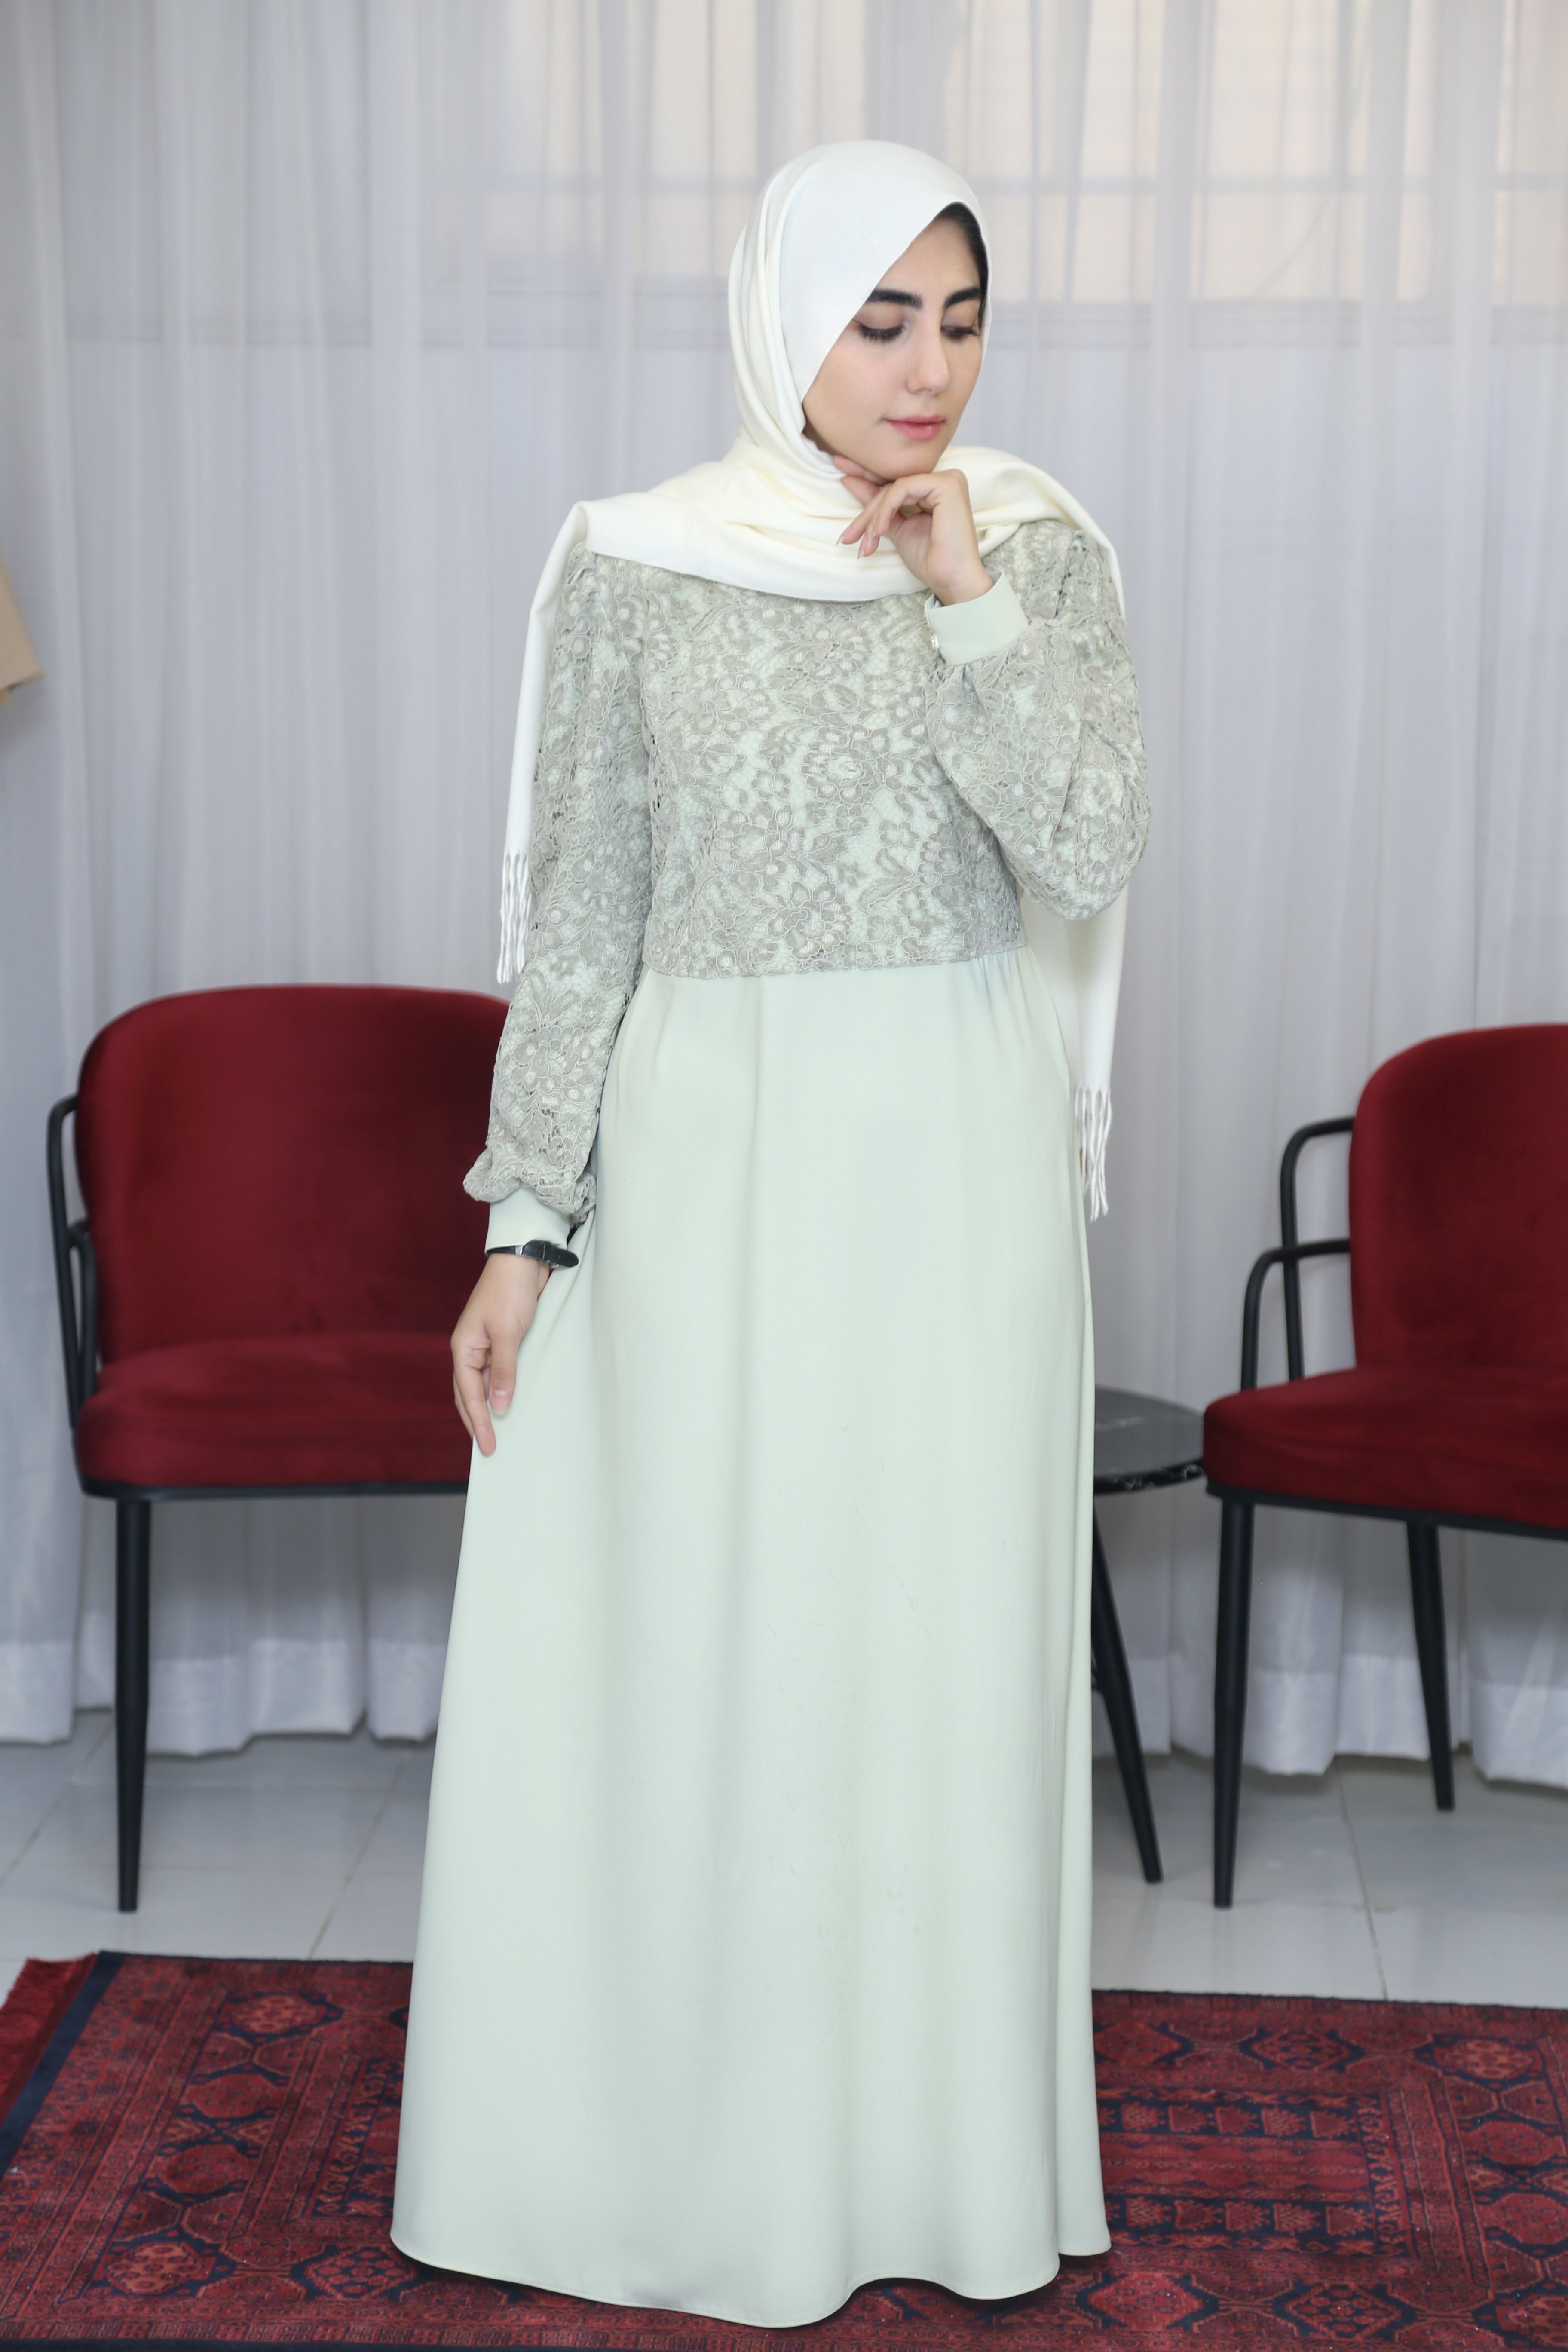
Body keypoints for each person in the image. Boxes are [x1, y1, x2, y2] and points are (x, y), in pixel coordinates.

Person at [391, 140, 1148, 2328]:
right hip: (705, 1161)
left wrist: (967, 597)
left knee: (921, 1652)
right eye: (879, 319)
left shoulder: (1039, 548)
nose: (928, 369)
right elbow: (584, 916)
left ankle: (919, 2165)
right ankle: (669, 2161)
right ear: (784, 322)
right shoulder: (636, 563)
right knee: (699, 1646)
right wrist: (524, 1227)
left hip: (953, 1170)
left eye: (962, 320)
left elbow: (1089, 846)